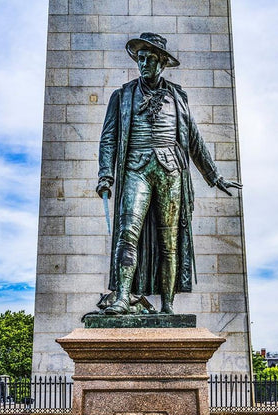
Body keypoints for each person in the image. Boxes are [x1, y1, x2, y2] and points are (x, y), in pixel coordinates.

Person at [96, 32, 242, 315]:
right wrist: (105, 174)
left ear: (162, 62)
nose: (144, 64)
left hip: (170, 170)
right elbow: (108, 137)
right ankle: (123, 297)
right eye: (141, 58)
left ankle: (168, 306)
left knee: (169, 241)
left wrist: (214, 176)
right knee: (127, 232)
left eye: (151, 58)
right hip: (135, 168)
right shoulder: (122, 95)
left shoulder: (177, 96)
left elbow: (193, 139)